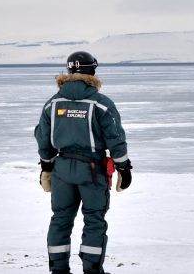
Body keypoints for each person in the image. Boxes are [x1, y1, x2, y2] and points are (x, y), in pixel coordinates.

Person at [34, 51, 133, 274]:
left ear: (69, 71)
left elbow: (43, 137)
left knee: (60, 218)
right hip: (92, 171)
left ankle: (58, 270)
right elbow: (116, 139)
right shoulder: (101, 103)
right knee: (94, 220)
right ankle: (92, 270)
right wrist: (123, 168)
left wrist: (46, 167)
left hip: (61, 170)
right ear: (93, 71)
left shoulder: (53, 103)